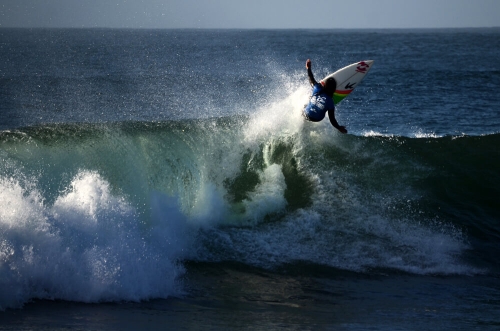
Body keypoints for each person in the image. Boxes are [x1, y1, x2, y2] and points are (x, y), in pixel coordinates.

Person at [304, 59, 347, 134]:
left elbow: (311, 79)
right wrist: (339, 127)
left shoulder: (317, 88)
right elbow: (332, 119)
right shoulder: (330, 102)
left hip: (307, 114)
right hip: (317, 119)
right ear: (334, 89)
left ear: (325, 85)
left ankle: (303, 121)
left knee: (306, 104)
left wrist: (308, 68)